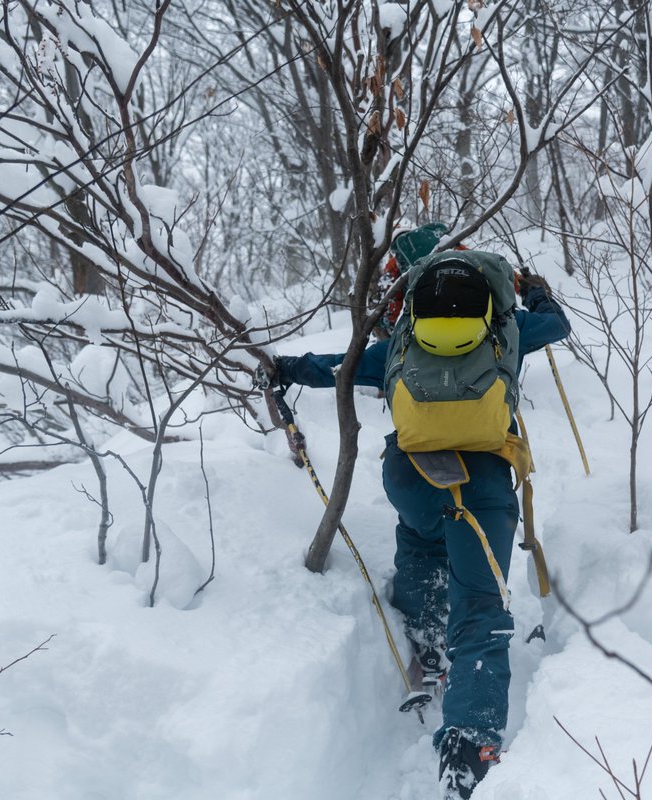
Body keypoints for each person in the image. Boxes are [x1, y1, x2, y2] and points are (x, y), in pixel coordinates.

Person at [273, 245, 569, 799]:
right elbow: (557, 326)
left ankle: (427, 637)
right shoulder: (508, 329)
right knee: (481, 609)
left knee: (420, 538)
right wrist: (536, 292)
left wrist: (282, 368)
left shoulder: (400, 344)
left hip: (411, 475)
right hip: (482, 480)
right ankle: (467, 746)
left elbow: (336, 366)